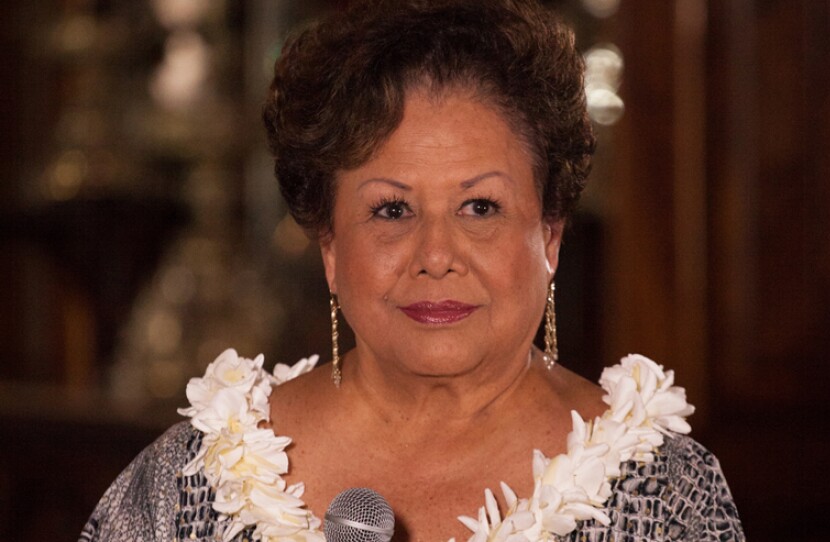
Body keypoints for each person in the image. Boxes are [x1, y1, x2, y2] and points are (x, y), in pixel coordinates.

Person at [80, 1, 745, 541]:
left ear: (550, 236)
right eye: (392, 209)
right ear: (331, 246)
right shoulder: (188, 487)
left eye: (479, 206)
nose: (435, 255)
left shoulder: (664, 496)